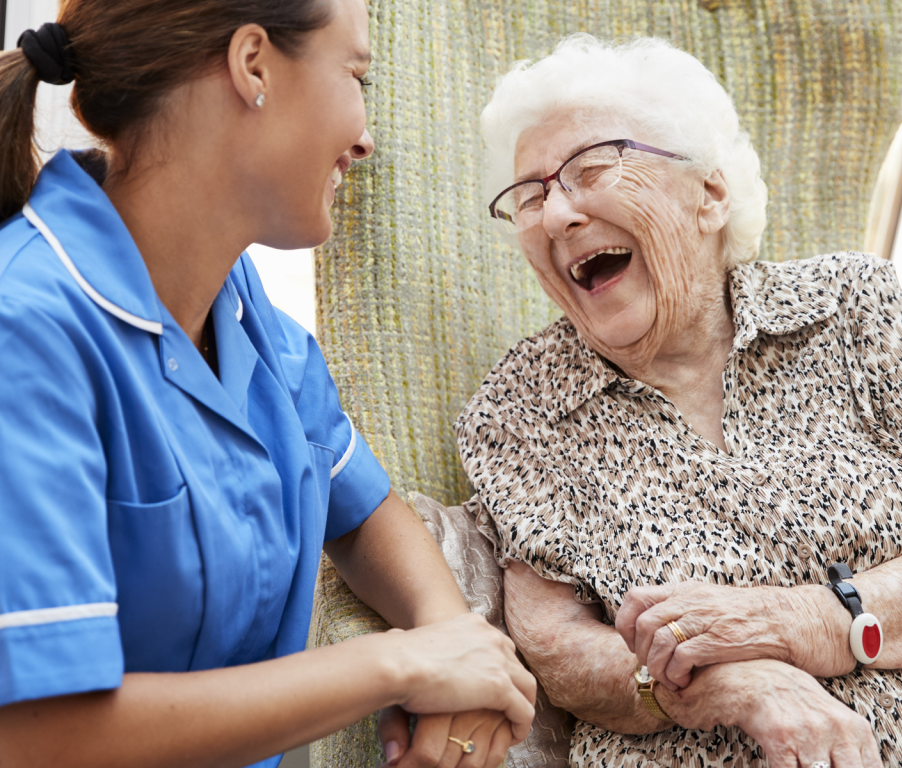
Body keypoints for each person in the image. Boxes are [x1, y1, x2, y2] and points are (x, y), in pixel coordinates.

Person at [455, 34, 902, 768]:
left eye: (591, 168)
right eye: (530, 196)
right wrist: (737, 683)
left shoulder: (849, 304)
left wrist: (803, 623)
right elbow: (559, 652)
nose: (558, 214)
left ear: (710, 195)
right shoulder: (519, 410)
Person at [0, 3, 536, 768]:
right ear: (253, 64)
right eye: (355, 75)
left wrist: (454, 644)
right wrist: (396, 666)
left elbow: (362, 508)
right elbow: (36, 735)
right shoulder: (25, 328)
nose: (365, 137)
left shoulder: (241, 305)